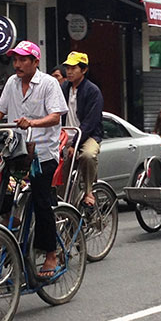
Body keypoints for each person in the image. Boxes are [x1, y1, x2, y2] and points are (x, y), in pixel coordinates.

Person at [0, 40, 68, 277]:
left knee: (41, 200)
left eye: (22, 59)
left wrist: (33, 122)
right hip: (16, 151)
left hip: (43, 154)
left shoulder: (48, 84)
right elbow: (0, 111)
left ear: (35, 62)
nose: (17, 64)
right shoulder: (11, 83)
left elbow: (56, 116)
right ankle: (6, 237)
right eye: (15, 59)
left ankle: (50, 253)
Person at [61, 51, 104, 207]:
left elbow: (90, 123)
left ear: (84, 70)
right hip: (65, 137)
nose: (69, 71)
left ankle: (89, 191)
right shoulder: (64, 88)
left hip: (88, 136)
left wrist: (75, 145)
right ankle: (65, 205)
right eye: (68, 68)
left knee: (87, 155)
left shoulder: (93, 91)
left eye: (74, 68)